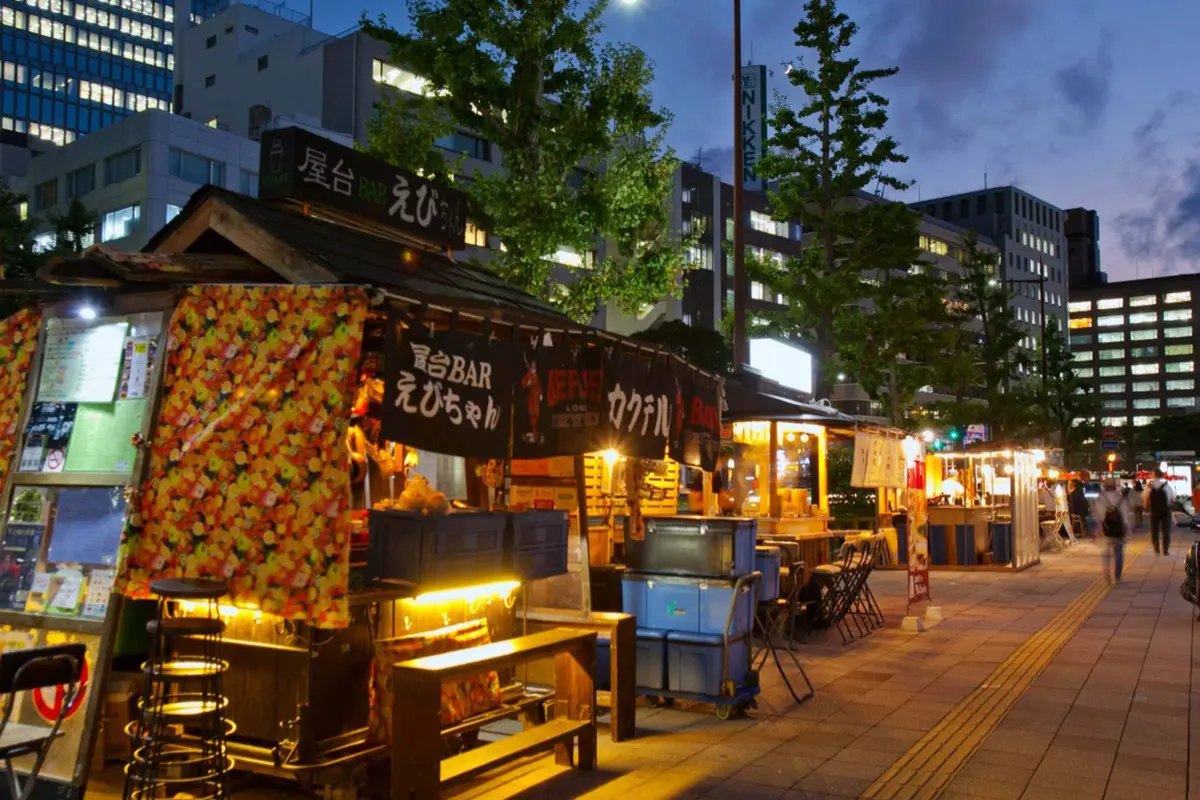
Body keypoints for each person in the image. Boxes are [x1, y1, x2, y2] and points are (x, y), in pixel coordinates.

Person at [1094, 479, 1132, 582]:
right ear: (1115, 486)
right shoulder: (1120, 498)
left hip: (1105, 528)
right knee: (1119, 552)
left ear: (1105, 486)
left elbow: (1098, 515)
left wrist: (1099, 527)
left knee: (1106, 552)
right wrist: (1126, 528)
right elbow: (1125, 515)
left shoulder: (1100, 498)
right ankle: (1117, 576)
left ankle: (1106, 573)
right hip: (1118, 528)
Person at [1143, 468, 1176, 555]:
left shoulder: (1150, 485)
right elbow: (1172, 497)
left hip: (1154, 510)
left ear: (1154, 475)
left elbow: (1145, 498)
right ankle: (1165, 549)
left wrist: (1145, 506)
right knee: (1166, 530)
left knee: (1154, 529)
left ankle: (1156, 547)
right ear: (1162, 475)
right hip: (1166, 510)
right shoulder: (1166, 485)